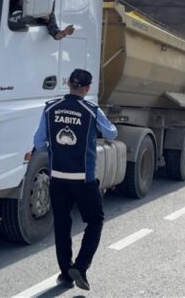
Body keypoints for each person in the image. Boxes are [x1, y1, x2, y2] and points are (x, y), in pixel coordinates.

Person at [32, 69, 118, 291]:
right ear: (87, 88)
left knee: (62, 224)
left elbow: (39, 142)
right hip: (83, 178)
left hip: (58, 176)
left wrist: (55, 149)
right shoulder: (91, 110)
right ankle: (80, 267)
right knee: (95, 220)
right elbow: (111, 134)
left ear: (68, 83)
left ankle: (65, 271)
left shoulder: (50, 108)